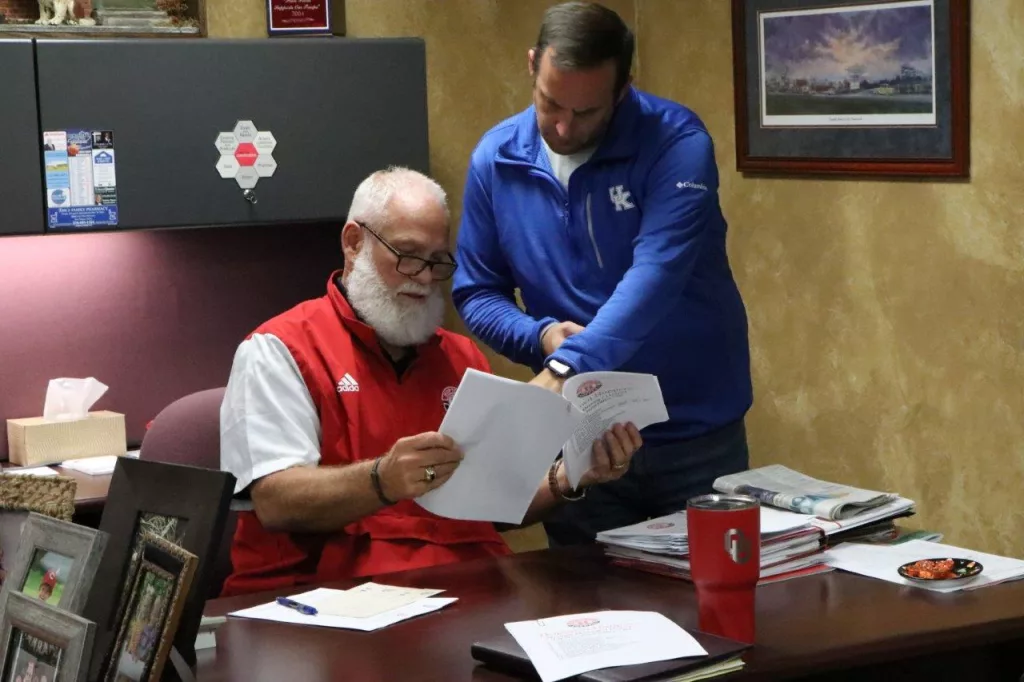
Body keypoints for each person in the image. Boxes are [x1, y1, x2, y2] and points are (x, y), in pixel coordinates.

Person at [219, 166, 642, 597]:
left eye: (437, 261)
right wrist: (382, 480)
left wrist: (569, 476)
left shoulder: (459, 357)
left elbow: (490, 508)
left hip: (465, 591)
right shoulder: (281, 349)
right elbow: (275, 502)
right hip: (329, 596)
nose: (423, 277)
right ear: (354, 242)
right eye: (407, 255)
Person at [452, 2, 753, 545]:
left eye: (586, 111)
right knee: (583, 593)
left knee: (711, 591)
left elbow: (656, 274)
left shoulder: (676, 143)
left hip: (694, 434)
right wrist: (540, 337)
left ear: (622, 89)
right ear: (532, 66)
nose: (563, 126)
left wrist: (566, 365)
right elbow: (477, 290)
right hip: (581, 435)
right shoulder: (497, 160)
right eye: (550, 103)